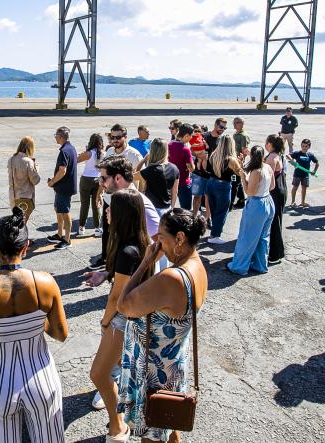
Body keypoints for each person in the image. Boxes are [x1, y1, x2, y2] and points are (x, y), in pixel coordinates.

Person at [0, 207, 68, 443]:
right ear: (26, 247)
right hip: (41, 379)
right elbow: (60, 333)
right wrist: (36, 321)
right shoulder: (45, 283)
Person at [116, 208, 208, 443]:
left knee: (152, 434)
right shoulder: (197, 266)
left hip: (155, 373)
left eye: (162, 238)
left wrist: (146, 261)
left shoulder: (172, 279)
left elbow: (123, 304)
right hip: (174, 364)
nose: (157, 243)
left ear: (180, 238)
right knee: (170, 426)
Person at [80, 189, 150, 440]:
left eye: (111, 208)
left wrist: (105, 322)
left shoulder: (126, 251)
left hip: (122, 319)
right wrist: (106, 274)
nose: (106, 211)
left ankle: (118, 425)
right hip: (137, 317)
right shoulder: (140, 243)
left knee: (99, 373)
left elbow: (116, 297)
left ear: (122, 214)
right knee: (123, 372)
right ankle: (123, 420)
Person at [95, 155, 161, 270]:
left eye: (103, 179)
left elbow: (163, 243)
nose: (101, 183)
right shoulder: (121, 200)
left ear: (118, 178)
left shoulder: (140, 206)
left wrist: (141, 270)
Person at [227, 146, 274, 276]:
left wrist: (242, 176)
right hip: (268, 202)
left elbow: (250, 192)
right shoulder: (267, 167)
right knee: (263, 237)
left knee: (247, 237)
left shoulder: (256, 171)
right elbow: (272, 186)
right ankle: (260, 265)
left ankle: (239, 267)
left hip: (257, 205)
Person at [205, 133, 241, 245]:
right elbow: (240, 173)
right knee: (221, 211)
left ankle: (213, 233)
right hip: (223, 186)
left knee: (215, 210)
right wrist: (241, 162)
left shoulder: (213, 155)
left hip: (211, 183)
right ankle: (215, 235)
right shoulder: (231, 160)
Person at [47, 127, 77, 250]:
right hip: (63, 187)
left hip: (64, 187)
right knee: (58, 209)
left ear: (60, 136)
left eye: (56, 135)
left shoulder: (64, 151)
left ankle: (67, 239)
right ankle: (60, 234)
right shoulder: (71, 148)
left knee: (65, 212)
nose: (55, 137)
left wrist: (52, 182)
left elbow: (62, 171)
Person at [136, 138, 179, 216]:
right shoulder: (174, 168)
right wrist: (171, 208)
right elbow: (174, 192)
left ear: (152, 151)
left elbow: (133, 175)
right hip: (166, 209)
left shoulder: (150, 170)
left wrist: (144, 159)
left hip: (151, 209)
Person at [264, 135, 288, 264]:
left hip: (275, 192)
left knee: (274, 223)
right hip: (280, 189)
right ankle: (276, 251)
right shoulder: (278, 154)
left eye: (266, 142)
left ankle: (275, 254)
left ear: (270, 144)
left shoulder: (272, 157)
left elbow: (267, 177)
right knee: (275, 221)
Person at [8, 136, 41, 226]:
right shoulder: (28, 162)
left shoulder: (11, 160)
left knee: (17, 221)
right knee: (21, 224)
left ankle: (20, 239)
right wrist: (36, 169)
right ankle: (21, 240)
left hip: (13, 197)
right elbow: (35, 180)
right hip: (25, 197)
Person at [77, 133, 105, 236]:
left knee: (84, 204)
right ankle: (97, 228)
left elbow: (76, 160)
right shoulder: (104, 153)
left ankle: (81, 227)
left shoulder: (88, 153)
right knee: (96, 204)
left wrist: (81, 153)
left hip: (85, 179)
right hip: (97, 180)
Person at [167, 123, 194, 210]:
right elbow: (191, 168)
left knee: (169, 208)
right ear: (186, 135)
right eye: (191, 136)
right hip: (183, 183)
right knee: (186, 210)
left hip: (170, 181)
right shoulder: (185, 149)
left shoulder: (169, 144)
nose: (191, 138)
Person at [288, 139, 319, 207]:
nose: (304, 148)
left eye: (306, 146)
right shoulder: (297, 153)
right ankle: (293, 202)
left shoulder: (310, 155)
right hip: (297, 174)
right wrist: (293, 162)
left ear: (309, 147)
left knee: (304, 188)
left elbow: (317, 163)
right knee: (295, 187)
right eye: (303, 146)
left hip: (305, 175)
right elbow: (288, 157)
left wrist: (314, 171)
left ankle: (303, 202)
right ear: (301, 146)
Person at [230, 117, 250, 208]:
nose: (234, 124)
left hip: (238, 163)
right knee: (236, 182)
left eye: (237, 122)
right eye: (234, 122)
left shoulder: (243, 136)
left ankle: (233, 202)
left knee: (235, 182)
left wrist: (240, 162)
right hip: (234, 161)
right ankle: (241, 200)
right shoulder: (236, 134)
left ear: (242, 123)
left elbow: (244, 151)